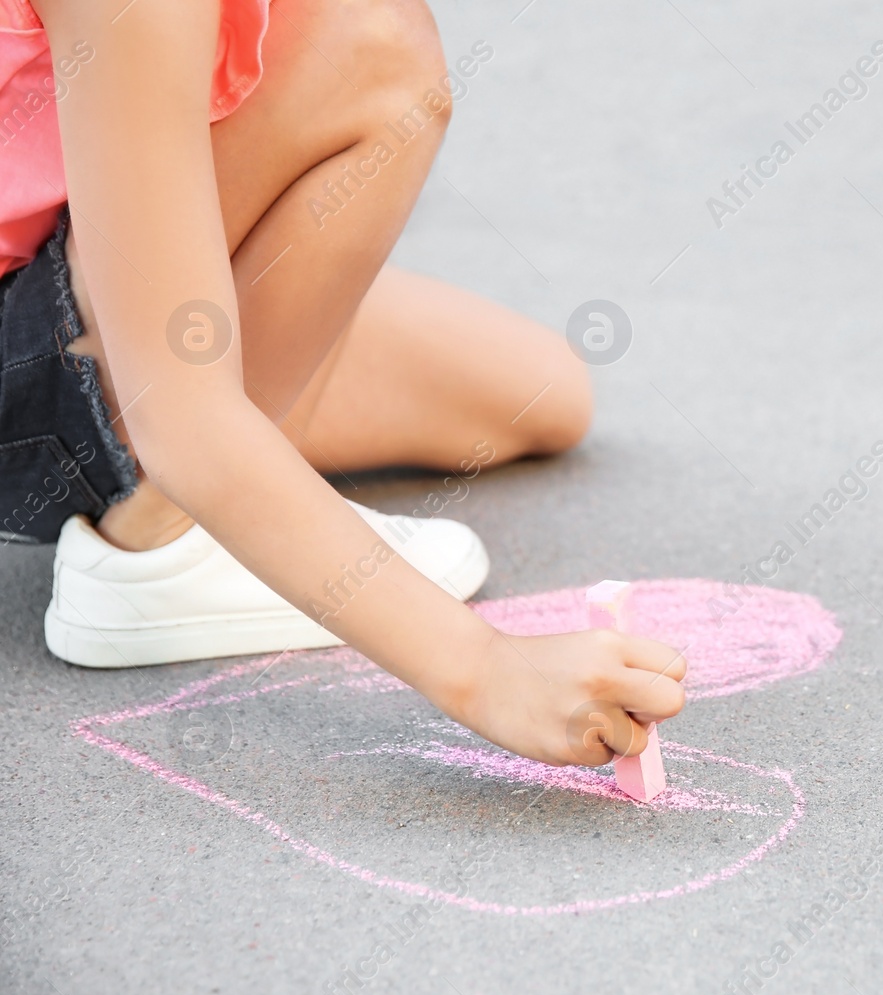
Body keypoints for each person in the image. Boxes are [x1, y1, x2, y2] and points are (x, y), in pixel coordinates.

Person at [0, 0, 685, 767]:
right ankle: (161, 537)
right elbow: (183, 425)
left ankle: (247, 490)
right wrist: (482, 668)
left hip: (71, 259)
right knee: (372, 49)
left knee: (542, 392)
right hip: (34, 365)